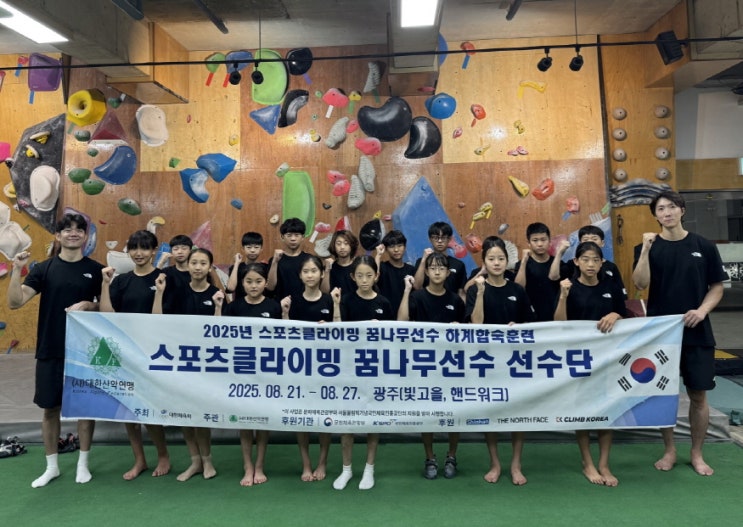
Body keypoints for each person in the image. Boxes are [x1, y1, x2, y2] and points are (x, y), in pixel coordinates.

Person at [632, 190, 727, 476]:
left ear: (682, 210)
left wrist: (702, 310)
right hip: (662, 334)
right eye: (661, 209)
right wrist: (646, 249)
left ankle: (697, 453)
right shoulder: (647, 247)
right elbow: (640, 284)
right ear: (655, 215)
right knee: (664, 394)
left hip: (697, 332)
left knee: (698, 394)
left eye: (672, 207)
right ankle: (669, 449)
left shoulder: (703, 246)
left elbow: (717, 286)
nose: (667, 212)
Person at [7, 213, 104, 488]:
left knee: (85, 407)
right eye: (67, 229)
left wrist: (89, 305)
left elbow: (108, 308)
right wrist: (16, 269)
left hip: (85, 350)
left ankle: (83, 464)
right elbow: (15, 302)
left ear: (85, 236)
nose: (73, 233)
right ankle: (52, 467)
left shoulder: (97, 270)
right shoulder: (43, 269)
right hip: (50, 347)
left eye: (79, 229)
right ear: (58, 236)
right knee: (50, 409)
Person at [554, 241, 626, 487]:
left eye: (595, 260)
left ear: (602, 263)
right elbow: (559, 323)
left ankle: (604, 463)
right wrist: (563, 296)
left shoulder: (611, 287)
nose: (591, 264)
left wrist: (615, 314)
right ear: (576, 262)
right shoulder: (569, 287)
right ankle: (587, 462)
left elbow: (623, 313)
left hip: (608, 357)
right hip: (580, 357)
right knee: (584, 409)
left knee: (607, 409)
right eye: (585, 259)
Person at [99, 230, 170, 481]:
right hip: (125, 351)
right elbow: (107, 315)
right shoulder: (121, 281)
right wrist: (105, 285)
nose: (139, 253)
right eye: (134, 248)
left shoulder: (163, 279)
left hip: (153, 352)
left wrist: (159, 292)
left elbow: (162, 321)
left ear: (154, 251)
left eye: (144, 248)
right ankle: (139, 459)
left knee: (149, 407)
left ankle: (163, 455)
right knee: (128, 409)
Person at [466, 236, 535, 485]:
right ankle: (495, 463)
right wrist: (480, 293)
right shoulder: (474, 289)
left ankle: (516, 464)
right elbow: (476, 323)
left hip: (515, 360)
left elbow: (530, 325)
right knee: (491, 411)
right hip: (486, 360)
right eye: (491, 259)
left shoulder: (517, 290)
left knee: (518, 412)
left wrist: (519, 327)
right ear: (484, 262)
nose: (496, 263)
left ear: (507, 261)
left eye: (501, 259)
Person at [153, 248, 225, 482]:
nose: (197, 267)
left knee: (200, 414)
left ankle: (207, 460)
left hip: (207, 363)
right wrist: (159, 293)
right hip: (181, 361)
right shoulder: (176, 291)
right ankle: (195, 461)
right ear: (188, 265)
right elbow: (158, 321)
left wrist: (217, 307)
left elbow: (220, 333)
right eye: (194, 262)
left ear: (209, 267)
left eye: (203, 263)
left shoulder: (216, 294)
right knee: (184, 413)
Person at [398, 253, 465, 480]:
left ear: (448, 273)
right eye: (433, 268)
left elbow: (466, 334)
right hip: (424, 365)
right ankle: (430, 457)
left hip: (450, 365)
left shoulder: (456, 300)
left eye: (441, 268)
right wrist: (407, 291)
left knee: (454, 412)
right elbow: (402, 323)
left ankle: (452, 456)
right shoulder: (417, 297)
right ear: (426, 271)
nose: (437, 272)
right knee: (427, 412)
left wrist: (458, 328)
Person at [333, 256, 394, 491]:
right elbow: (338, 333)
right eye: (360, 276)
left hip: (375, 369)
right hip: (349, 368)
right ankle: (346, 469)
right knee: (347, 423)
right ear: (353, 277)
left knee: (372, 420)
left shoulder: (384, 303)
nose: (365, 280)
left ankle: (369, 469)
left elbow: (392, 339)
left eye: (369, 275)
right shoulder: (346, 300)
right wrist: (336, 305)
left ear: (376, 276)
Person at [280, 254, 341, 481]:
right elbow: (285, 336)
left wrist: (333, 314)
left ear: (322, 274)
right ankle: (306, 463)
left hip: (325, 368)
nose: (310, 275)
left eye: (314, 271)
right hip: (300, 368)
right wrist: (285, 313)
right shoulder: (292, 301)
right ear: (300, 275)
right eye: (305, 271)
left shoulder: (329, 300)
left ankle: (322, 462)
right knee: (302, 417)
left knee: (324, 417)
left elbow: (340, 334)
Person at [220, 262, 280, 486]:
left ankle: (259, 465)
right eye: (249, 281)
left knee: (262, 420)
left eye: (258, 281)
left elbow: (283, 339)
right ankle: (247, 465)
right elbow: (221, 337)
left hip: (266, 372)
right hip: (241, 371)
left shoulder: (274, 307)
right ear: (242, 284)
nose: (254, 286)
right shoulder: (234, 307)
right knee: (244, 420)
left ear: (266, 283)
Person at [549, 225, 626, 297]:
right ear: (580, 243)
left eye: (594, 239)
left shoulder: (611, 266)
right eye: (586, 239)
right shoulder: (573, 264)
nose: (590, 242)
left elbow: (621, 294)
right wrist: (559, 253)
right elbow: (553, 277)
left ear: (602, 243)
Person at [514, 222, 560, 322]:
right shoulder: (522, 264)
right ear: (528, 243)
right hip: (531, 318)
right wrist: (524, 261)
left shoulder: (557, 263)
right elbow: (518, 287)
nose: (540, 244)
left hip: (555, 317)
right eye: (535, 240)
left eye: (543, 240)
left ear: (549, 241)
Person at [413, 222, 467, 302]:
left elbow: (461, 292)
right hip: (427, 305)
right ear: (430, 239)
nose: (440, 241)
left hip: (451, 306)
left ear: (449, 239)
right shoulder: (421, 262)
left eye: (443, 237)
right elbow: (417, 286)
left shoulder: (458, 265)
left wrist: (463, 308)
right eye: (436, 237)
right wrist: (424, 260)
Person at [267, 218, 310, 300]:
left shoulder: (309, 260)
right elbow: (270, 287)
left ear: (303, 237)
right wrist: (275, 262)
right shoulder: (275, 260)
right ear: (282, 237)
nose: (293, 239)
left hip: (305, 304)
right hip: (280, 304)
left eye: (297, 235)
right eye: (289, 235)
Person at [375, 229, 416, 315]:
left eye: (400, 245)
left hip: (406, 316)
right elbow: (374, 278)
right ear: (386, 249)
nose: (396, 249)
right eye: (392, 246)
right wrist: (378, 255)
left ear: (405, 247)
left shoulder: (411, 270)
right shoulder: (382, 267)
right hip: (385, 315)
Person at [226, 231, 264, 299]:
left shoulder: (265, 267)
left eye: (256, 247)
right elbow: (231, 288)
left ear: (261, 249)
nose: (252, 250)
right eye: (249, 247)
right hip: (240, 303)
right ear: (243, 249)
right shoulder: (236, 267)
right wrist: (236, 263)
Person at [321, 230, 358, 295]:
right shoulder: (329, 267)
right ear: (334, 246)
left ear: (351, 245)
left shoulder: (358, 266)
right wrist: (327, 270)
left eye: (346, 243)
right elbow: (324, 292)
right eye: (338, 244)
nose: (342, 247)